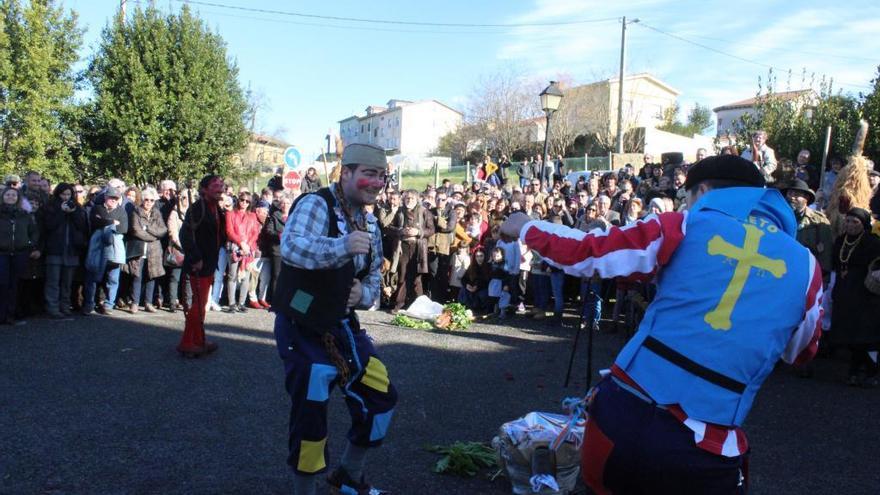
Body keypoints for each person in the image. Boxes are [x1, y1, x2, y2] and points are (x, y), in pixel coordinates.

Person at [502, 155, 823, 493]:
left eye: (687, 196)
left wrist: (525, 225)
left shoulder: (682, 225)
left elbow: (587, 252)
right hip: (710, 447)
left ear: (702, 191)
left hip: (625, 420)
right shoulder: (807, 268)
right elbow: (800, 352)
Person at [272, 143, 397, 495]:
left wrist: (365, 296)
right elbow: (293, 247)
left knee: (381, 396)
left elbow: (373, 278)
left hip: (343, 328)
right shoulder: (316, 203)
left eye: (381, 176)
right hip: (302, 325)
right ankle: (304, 491)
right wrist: (341, 246)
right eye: (368, 174)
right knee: (311, 414)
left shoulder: (371, 223)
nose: (376, 183)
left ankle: (347, 474)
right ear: (345, 174)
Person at [828, 208, 880, 387]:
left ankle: (866, 371)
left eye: (854, 222)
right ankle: (858, 371)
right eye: (848, 221)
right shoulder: (841, 240)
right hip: (844, 290)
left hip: (864, 292)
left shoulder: (872, 242)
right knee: (847, 332)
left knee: (862, 335)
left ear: (864, 224)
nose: (850, 225)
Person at [178, 175, 226, 357]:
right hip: (199, 264)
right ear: (204, 189)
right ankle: (188, 343)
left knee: (202, 303)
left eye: (221, 185)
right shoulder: (198, 208)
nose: (220, 188)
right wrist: (196, 257)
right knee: (198, 305)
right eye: (215, 185)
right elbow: (185, 235)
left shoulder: (215, 208)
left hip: (209, 262)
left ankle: (199, 340)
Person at [42, 183, 88, 318]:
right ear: (58, 194)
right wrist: (61, 212)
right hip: (55, 249)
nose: (66, 197)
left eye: (68, 194)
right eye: (63, 194)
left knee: (67, 282)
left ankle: (65, 305)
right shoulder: (50, 207)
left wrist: (72, 213)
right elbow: (49, 226)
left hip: (72, 250)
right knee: (53, 281)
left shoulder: (77, 207)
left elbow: (82, 226)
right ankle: (52, 307)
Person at [83, 187, 128, 315]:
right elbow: (94, 222)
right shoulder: (97, 208)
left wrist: (104, 222)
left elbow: (123, 228)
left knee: (113, 278)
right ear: (105, 197)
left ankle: (109, 305)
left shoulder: (121, 211)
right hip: (97, 248)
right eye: (111, 197)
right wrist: (113, 222)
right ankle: (89, 304)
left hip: (114, 249)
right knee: (92, 277)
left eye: (116, 198)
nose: (113, 200)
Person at [0, 187, 39, 324]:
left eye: (13, 195)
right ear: (3, 196)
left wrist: (30, 244)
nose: (10, 197)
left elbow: (33, 232)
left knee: (15, 284)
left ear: (18, 198)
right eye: (8, 194)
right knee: (3, 284)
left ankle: (11, 314)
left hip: (19, 253)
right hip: (2, 253)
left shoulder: (24, 215)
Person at [125, 187, 168, 313]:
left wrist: (148, 228)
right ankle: (135, 302)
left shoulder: (157, 213)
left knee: (152, 276)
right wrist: (153, 236)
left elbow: (163, 230)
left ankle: (148, 303)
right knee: (137, 276)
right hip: (139, 249)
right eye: (146, 199)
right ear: (142, 200)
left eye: (152, 200)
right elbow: (136, 230)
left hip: (154, 250)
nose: (149, 202)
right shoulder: (136, 212)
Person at [224, 191, 261, 313]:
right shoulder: (230, 214)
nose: (244, 203)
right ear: (238, 200)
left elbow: (255, 232)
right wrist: (241, 243)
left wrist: (248, 245)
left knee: (246, 276)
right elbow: (229, 231)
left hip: (248, 249)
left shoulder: (252, 215)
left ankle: (241, 302)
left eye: (247, 201)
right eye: (242, 200)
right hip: (235, 247)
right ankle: (231, 303)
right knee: (232, 275)